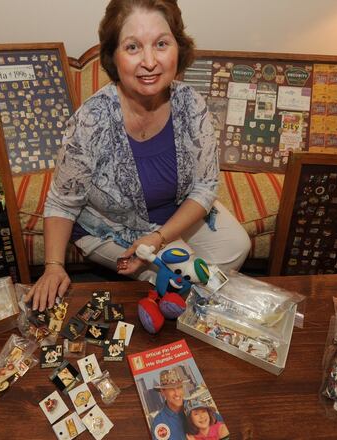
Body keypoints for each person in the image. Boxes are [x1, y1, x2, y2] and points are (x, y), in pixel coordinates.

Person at [25, 0, 251, 311]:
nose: (150, 61)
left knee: (237, 245)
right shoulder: (91, 121)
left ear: (178, 48)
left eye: (161, 44)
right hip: (108, 226)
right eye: (133, 47)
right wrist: (53, 266)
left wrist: (158, 237)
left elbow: (204, 187)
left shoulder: (192, 105)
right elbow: (62, 201)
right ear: (113, 57)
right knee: (185, 270)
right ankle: (186, 306)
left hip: (168, 217)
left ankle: (192, 301)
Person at [151, 368, 190, 440]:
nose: (177, 393)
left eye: (179, 387)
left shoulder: (199, 407)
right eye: (171, 389)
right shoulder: (158, 422)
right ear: (162, 392)